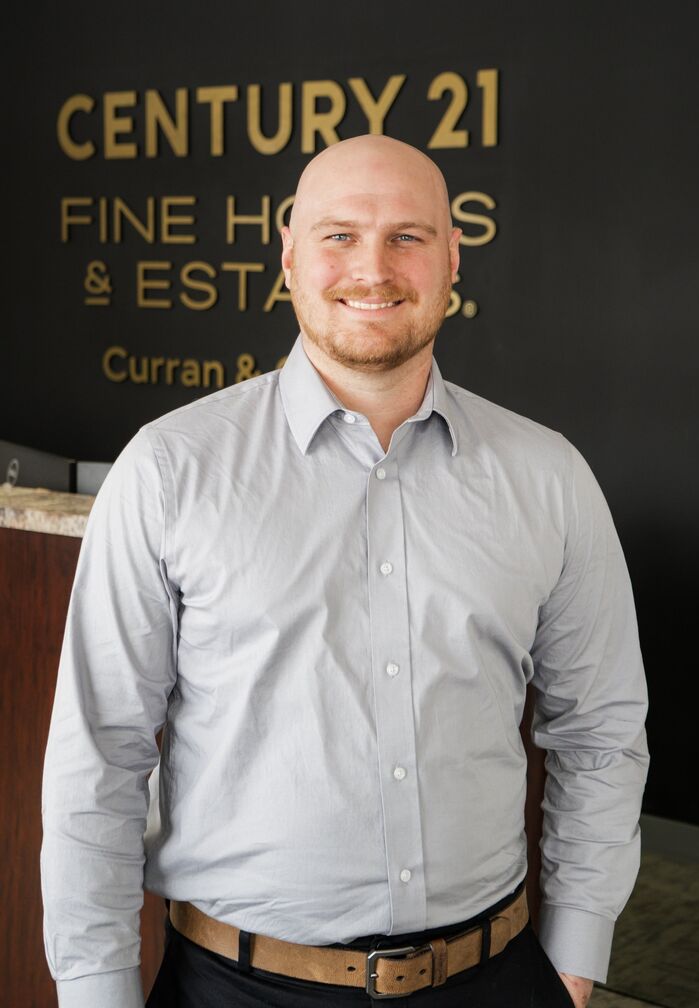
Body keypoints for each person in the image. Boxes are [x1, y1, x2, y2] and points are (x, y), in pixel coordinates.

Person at [41, 134, 649, 1008]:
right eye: (339, 235)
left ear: (452, 258)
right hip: (235, 990)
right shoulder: (170, 471)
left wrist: (575, 961)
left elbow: (601, 733)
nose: (373, 267)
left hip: (498, 979)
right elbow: (100, 755)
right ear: (288, 255)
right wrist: (97, 992)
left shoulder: (549, 477)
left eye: (408, 236)